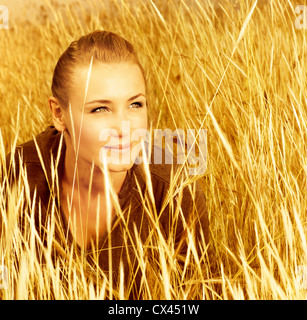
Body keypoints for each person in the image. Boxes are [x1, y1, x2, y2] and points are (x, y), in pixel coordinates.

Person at [5, 30, 209, 299]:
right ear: (59, 114)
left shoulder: (173, 194)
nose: (125, 128)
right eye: (100, 109)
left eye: (135, 104)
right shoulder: (17, 176)